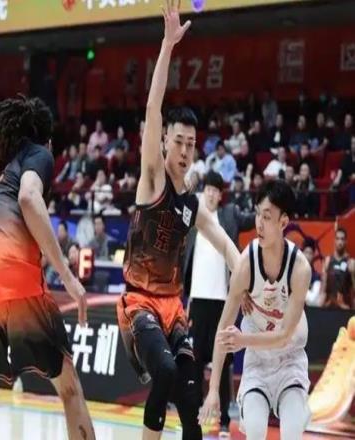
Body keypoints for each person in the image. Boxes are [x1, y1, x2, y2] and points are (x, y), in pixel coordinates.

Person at [116, 4, 239, 440]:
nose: (185, 150)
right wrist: (168, 45)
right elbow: (153, 107)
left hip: (175, 309)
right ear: (165, 141)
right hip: (139, 304)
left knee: (191, 402)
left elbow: (223, 242)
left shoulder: (192, 202)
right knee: (166, 371)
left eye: (191, 144)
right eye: (179, 141)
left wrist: (249, 274)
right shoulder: (152, 179)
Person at [0, 94, 95, 440]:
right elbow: (29, 197)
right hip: (12, 273)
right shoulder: (39, 154)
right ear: (45, 140)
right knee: (69, 388)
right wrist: (67, 276)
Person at [199, 180, 312, 440]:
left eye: (267, 217)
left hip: (290, 359)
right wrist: (213, 389)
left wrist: (243, 340)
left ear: (283, 222)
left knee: (292, 432)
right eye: (258, 214)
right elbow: (223, 329)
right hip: (258, 363)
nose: (259, 224)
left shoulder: (300, 269)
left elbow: (283, 336)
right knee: (256, 429)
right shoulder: (245, 265)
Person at [183, 171, 255, 437]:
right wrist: (187, 300)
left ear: (221, 195)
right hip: (198, 301)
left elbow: (251, 219)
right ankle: (194, 417)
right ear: (203, 192)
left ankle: (224, 420)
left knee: (222, 363)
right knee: (194, 362)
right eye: (208, 190)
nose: (212, 194)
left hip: (224, 302)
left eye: (216, 190)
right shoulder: (194, 219)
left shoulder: (229, 215)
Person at [319, 227, 355, 309]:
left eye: (342, 239)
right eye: (338, 239)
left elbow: (353, 291)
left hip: (345, 308)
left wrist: (353, 274)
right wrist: (320, 307)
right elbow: (323, 288)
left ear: (346, 241)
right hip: (329, 307)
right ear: (334, 240)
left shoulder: (351, 262)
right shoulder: (327, 261)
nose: (340, 242)